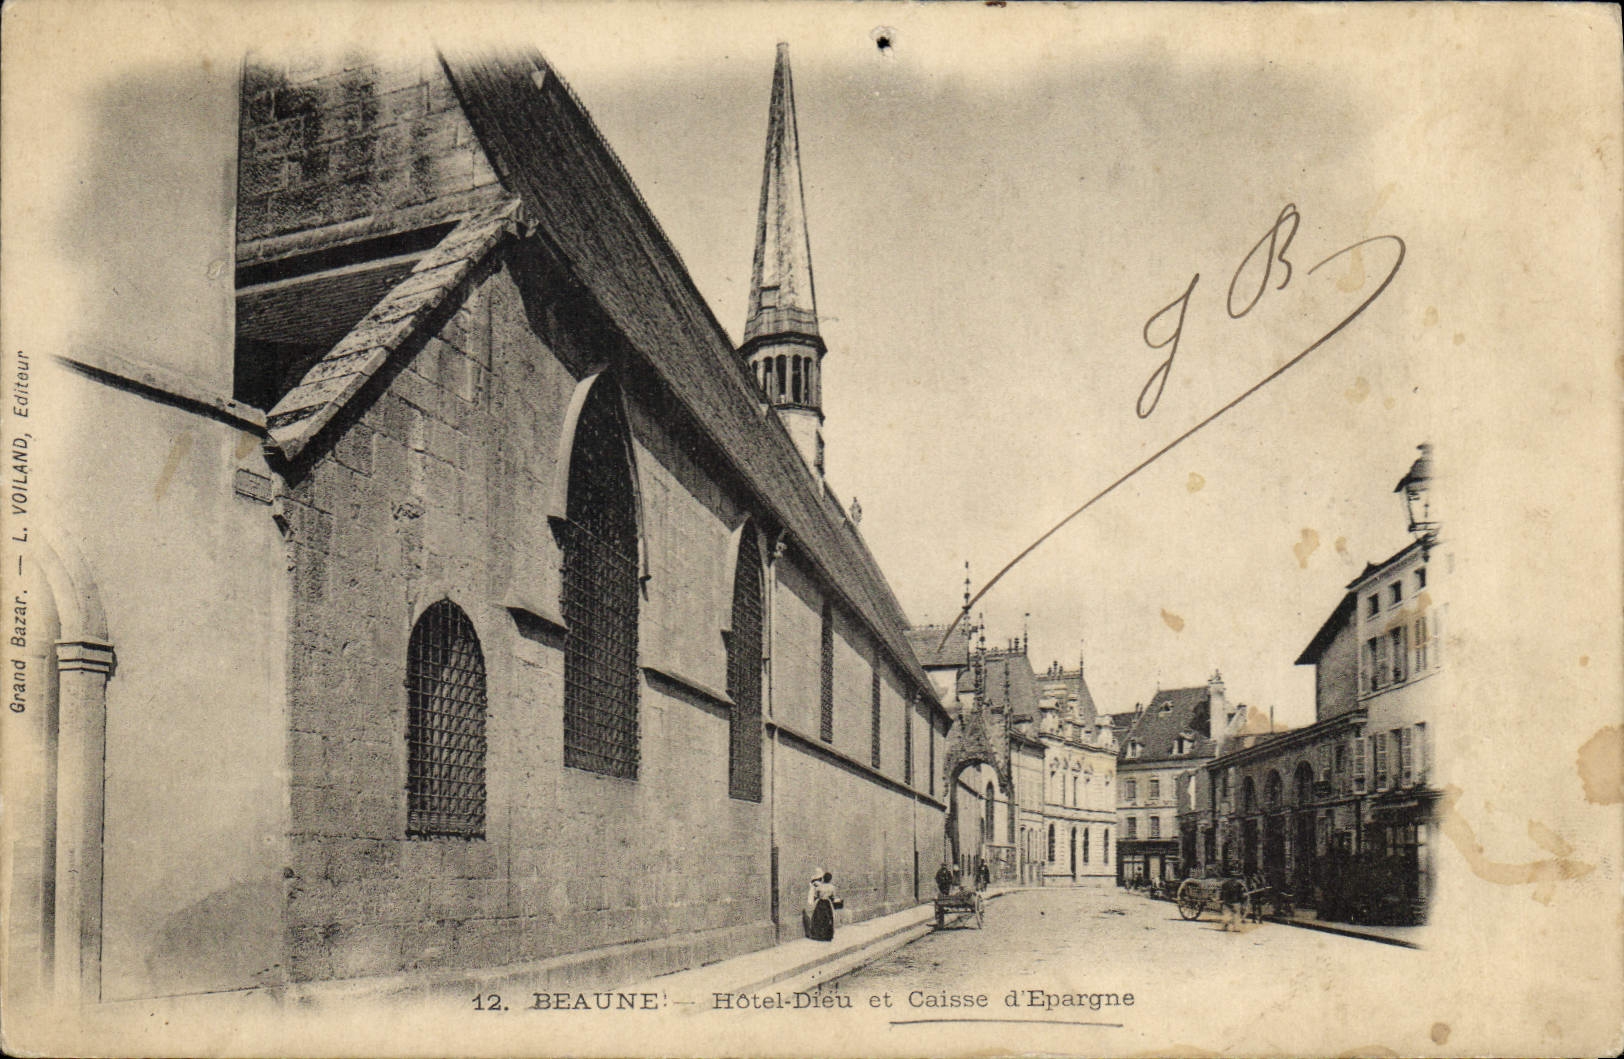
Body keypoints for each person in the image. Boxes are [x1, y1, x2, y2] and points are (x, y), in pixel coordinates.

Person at [804, 870, 838, 941]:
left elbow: (816, 895)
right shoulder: (832, 887)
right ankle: (827, 935)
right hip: (827, 903)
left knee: (818, 918)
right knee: (828, 918)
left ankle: (818, 934)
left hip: (820, 903)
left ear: (823, 878)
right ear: (830, 879)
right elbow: (833, 897)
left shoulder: (819, 887)